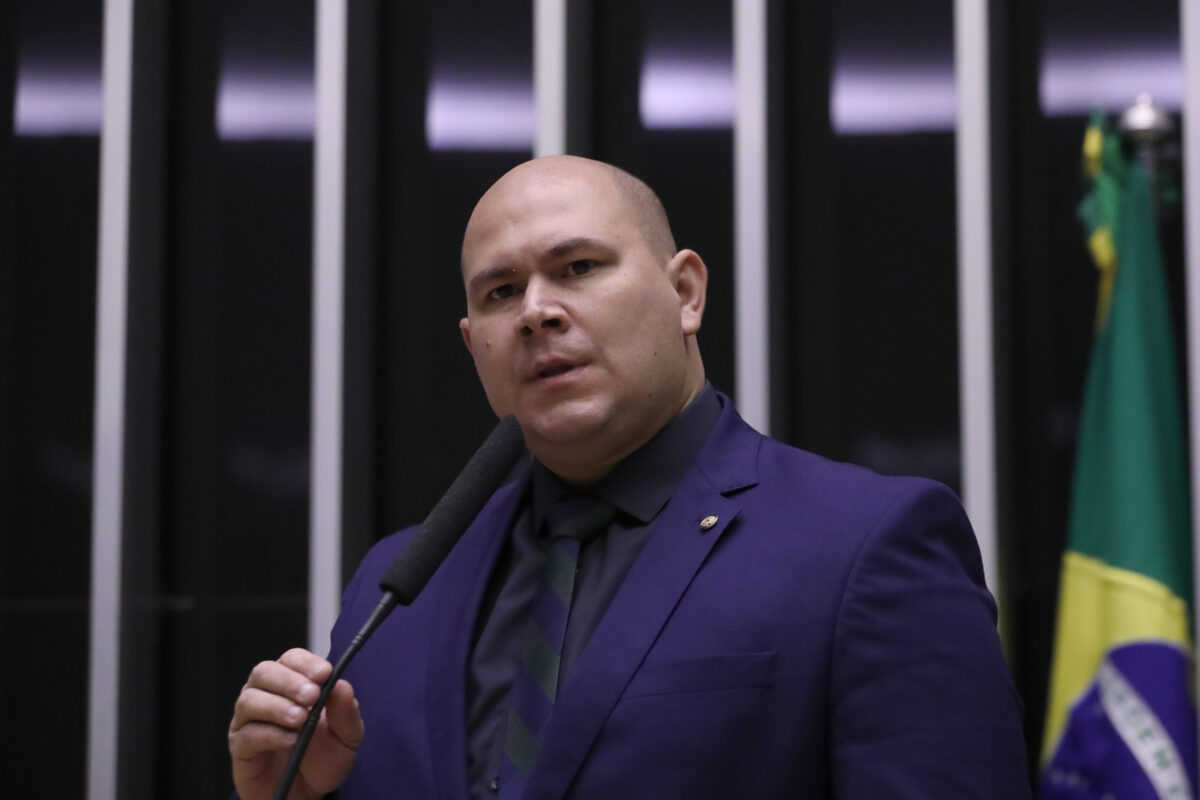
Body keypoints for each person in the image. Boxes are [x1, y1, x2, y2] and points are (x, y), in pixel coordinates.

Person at [228, 155, 1030, 799]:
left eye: (577, 268)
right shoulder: (397, 589)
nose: (537, 311)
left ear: (685, 293)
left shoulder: (862, 545)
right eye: (502, 292)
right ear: (475, 346)